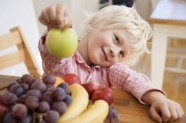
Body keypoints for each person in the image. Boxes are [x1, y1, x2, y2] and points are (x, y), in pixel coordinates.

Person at [38, 3, 184, 123]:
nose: (115, 51)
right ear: (97, 23)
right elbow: (56, 57)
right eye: (116, 39)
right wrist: (57, 29)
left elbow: (132, 79)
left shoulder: (110, 70)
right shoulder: (67, 59)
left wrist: (158, 98)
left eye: (122, 53)